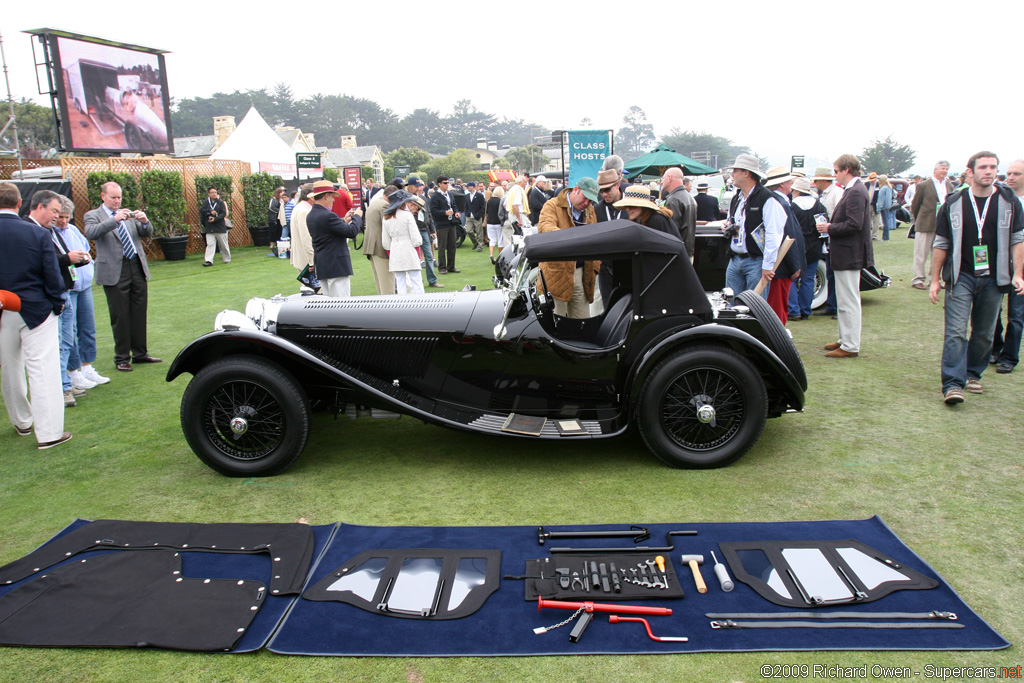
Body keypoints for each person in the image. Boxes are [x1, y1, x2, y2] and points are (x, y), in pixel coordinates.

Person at [931, 152, 1024, 404]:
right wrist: (935, 279)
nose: (989, 171)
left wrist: (1018, 273)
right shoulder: (954, 201)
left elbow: (1017, 239)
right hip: (961, 277)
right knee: (955, 333)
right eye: (983, 167)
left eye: (993, 167)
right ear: (970, 171)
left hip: (995, 278)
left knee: (984, 333)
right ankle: (952, 384)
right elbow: (941, 242)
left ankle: (973, 374)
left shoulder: (1008, 200)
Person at [0, 181, 72, 449]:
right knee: (43, 370)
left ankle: (21, 421)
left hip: (4, 310)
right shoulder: (36, 234)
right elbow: (51, 275)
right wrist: (57, 303)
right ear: (19, 203)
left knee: (10, 368)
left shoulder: (35, 232)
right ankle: (49, 432)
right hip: (37, 309)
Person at [84, 182, 160, 372]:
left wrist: (144, 221)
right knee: (120, 315)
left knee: (138, 311)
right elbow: (91, 233)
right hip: (114, 270)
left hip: (136, 265)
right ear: (103, 196)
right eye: (113, 197)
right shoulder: (93, 215)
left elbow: (146, 233)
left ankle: (140, 354)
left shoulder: (127, 214)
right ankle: (122, 358)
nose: (117, 201)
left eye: (119, 197)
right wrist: (114, 220)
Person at [25, 191, 87, 407]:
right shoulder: (31, 230)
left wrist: (74, 261)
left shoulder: (49, 231)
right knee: (59, 344)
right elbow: (44, 264)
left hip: (63, 292)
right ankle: (61, 389)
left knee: (67, 341)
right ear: (39, 207)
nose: (57, 216)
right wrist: (67, 259)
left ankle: (65, 383)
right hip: (51, 298)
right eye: (54, 211)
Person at [816, 154, 873, 358]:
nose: (835, 175)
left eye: (837, 171)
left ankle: (850, 345)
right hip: (845, 253)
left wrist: (829, 227)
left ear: (846, 170)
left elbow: (854, 224)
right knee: (844, 298)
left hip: (850, 254)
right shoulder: (853, 190)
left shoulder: (856, 192)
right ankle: (844, 339)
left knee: (849, 300)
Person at [56, 197, 109, 391]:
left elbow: (86, 250)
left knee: (88, 328)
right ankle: (73, 372)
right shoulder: (51, 233)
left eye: (67, 217)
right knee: (69, 333)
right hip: (68, 289)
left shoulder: (73, 230)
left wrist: (86, 259)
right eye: (60, 217)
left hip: (84, 286)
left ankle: (87, 367)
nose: (63, 221)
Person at [536, 177, 601, 318]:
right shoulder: (552, 205)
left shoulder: (590, 211)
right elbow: (545, 228)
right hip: (556, 274)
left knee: (582, 323)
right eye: (585, 198)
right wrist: (574, 238)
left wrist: (595, 267)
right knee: (555, 323)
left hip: (583, 275)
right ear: (576, 190)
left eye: (590, 200)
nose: (587, 203)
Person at [724, 154, 786, 299]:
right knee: (730, 306)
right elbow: (732, 222)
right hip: (735, 259)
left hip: (756, 262)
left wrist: (768, 265)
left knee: (754, 307)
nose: (732, 174)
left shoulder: (767, 199)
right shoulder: (736, 198)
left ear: (746, 173)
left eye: (735, 171)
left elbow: (773, 233)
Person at [990, 159, 1024, 373]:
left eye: (1016, 174)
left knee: (1017, 314)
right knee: (992, 308)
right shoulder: (1001, 200)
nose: (1010, 177)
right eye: (1009, 173)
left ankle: (1010, 356)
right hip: (1000, 261)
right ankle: (994, 348)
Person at [761, 168, 806, 325]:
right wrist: (795, 265)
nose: (791, 184)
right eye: (789, 181)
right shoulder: (780, 203)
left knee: (778, 305)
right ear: (781, 184)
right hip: (781, 265)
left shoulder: (778, 201)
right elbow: (787, 236)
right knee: (778, 307)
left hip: (780, 264)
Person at [307, 180, 362, 297]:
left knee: (329, 306)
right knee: (342, 306)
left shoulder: (311, 215)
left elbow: (329, 233)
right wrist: (357, 217)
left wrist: (344, 222)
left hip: (323, 265)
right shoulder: (328, 215)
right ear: (326, 196)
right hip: (336, 266)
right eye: (332, 197)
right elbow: (351, 232)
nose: (333, 200)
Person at [788, 177, 827, 321]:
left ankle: (793, 310)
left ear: (795, 190)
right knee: (808, 279)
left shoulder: (791, 207)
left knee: (792, 278)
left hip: (796, 247)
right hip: (814, 246)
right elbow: (823, 228)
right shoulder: (819, 206)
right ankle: (805, 310)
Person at [911, 161, 954, 290]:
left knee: (938, 254)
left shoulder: (950, 186)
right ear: (935, 170)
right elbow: (915, 205)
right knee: (921, 253)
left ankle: (934, 279)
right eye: (942, 168)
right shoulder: (924, 185)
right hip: (925, 223)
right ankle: (918, 279)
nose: (944, 171)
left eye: (946, 169)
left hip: (942, 225)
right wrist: (918, 219)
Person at [810, 166, 844, 317]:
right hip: (827, 237)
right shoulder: (823, 195)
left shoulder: (837, 193)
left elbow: (840, 215)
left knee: (837, 275)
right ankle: (832, 305)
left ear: (823, 180)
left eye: (817, 180)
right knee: (830, 274)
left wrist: (829, 226)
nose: (815, 183)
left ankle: (837, 306)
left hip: (835, 236)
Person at [381, 190, 424, 295]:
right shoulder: (407, 215)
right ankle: (422, 305)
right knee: (416, 281)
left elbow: (385, 243)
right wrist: (417, 245)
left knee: (400, 283)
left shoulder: (386, 218)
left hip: (395, 250)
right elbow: (416, 239)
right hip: (409, 249)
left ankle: (402, 306)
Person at [363, 184, 397, 295]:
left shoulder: (375, 203)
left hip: (371, 247)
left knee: (380, 284)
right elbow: (389, 227)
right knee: (387, 285)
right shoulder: (384, 206)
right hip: (381, 248)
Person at [613, 185, 679, 239]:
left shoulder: (655, 220)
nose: (627, 209)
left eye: (632, 206)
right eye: (626, 206)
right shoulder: (645, 218)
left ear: (643, 206)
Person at [660, 167, 696, 257]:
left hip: (677, 253)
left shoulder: (673, 200)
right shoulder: (690, 197)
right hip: (687, 250)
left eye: (663, 178)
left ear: (669, 178)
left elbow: (671, 230)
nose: (661, 182)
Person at [429, 176, 462, 274]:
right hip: (441, 224)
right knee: (442, 247)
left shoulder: (450, 195)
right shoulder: (435, 196)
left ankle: (451, 266)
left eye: (448, 183)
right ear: (439, 184)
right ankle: (442, 267)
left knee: (452, 246)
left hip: (451, 223)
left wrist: (456, 212)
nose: (447, 184)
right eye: (445, 183)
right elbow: (433, 211)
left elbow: (454, 206)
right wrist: (444, 213)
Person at [288, 184, 315, 286]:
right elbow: (306, 238)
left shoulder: (299, 208)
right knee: (315, 295)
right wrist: (312, 261)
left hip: (302, 257)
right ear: (311, 197)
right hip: (306, 259)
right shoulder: (304, 211)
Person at [200, 187, 230, 266]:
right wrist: (210, 211)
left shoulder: (220, 202)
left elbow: (223, 213)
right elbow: (202, 211)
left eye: (215, 192)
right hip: (210, 227)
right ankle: (209, 261)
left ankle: (227, 258)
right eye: (212, 192)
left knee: (223, 244)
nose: (214, 194)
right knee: (210, 244)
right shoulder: (206, 202)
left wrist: (215, 219)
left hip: (219, 227)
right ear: (209, 194)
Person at [503, 174, 533, 244]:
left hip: (513, 214)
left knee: (517, 234)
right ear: (520, 182)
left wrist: (511, 212)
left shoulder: (512, 189)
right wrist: (519, 218)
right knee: (523, 235)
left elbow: (505, 204)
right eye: (525, 182)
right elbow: (515, 205)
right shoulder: (518, 189)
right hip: (518, 214)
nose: (526, 184)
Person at [464, 181, 486, 252]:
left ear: (473, 187)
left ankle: (480, 246)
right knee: (468, 231)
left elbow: (482, 207)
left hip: (477, 216)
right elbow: (466, 206)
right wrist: (467, 213)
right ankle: (475, 242)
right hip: (469, 216)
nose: (467, 188)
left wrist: (479, 214)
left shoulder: (479, 196)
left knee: (479, 232)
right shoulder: (467, 196)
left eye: (469, 186)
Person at [875, 175, 897, 241]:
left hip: (883, 207)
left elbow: (881, 199)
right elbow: (895, 194)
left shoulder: (883, 188)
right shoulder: (889, 187)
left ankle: (885, 237)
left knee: (885, 223)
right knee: (886, 221)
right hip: (888, 206)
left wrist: (878, 208)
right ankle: (886, 237)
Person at [486, 186, 505, 260]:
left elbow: (486, 212)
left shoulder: (489, 200)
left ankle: (491, 254)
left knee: (492, 239)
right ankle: (500, 256)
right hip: (498, 222)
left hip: (489, 222)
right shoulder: (500, 201)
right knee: (500, 240)